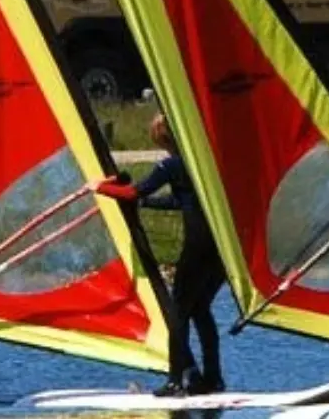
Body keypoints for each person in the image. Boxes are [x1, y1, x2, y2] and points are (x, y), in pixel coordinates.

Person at [88, 112, 227, 397]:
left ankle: (176, 382)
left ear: (161, 139)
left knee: (177, 314)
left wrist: (100, 188)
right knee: (200, 310)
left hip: (198, 246)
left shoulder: (170, 164)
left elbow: (133, 192)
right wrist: (148, 203)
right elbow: (180, 200)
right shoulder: (199, 162)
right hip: (221, 247)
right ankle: (213, 378)